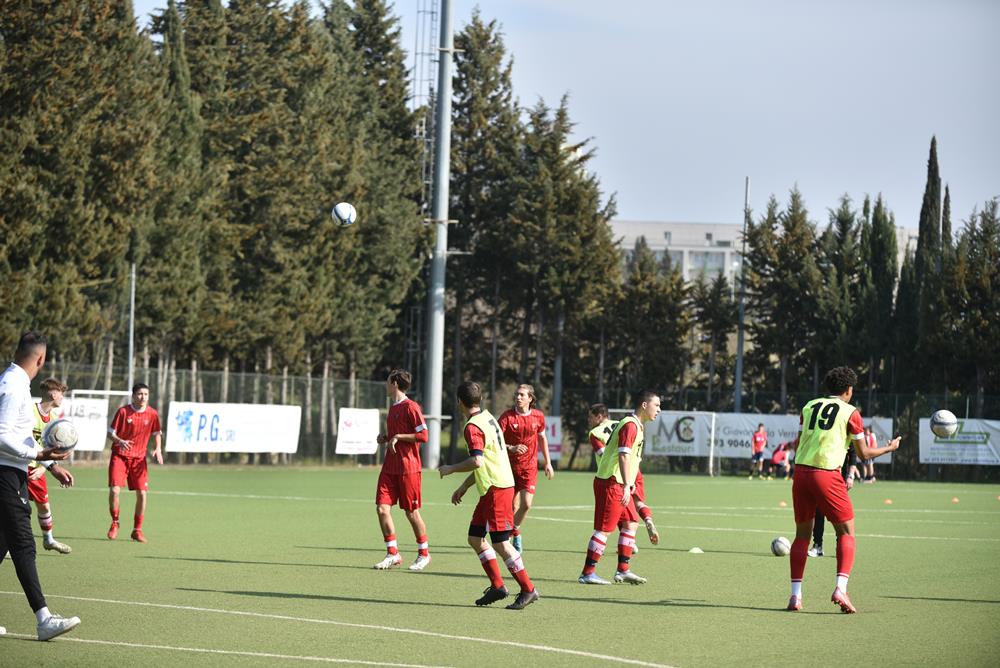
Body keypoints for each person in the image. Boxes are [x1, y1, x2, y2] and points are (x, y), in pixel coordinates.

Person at [786, 366, 900, 613]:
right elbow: (864, 454)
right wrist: (889, 448)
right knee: (847, 531)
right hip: (826, 474)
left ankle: (795, 596)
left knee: (802, 535)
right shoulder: (851, 412)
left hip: (801, 474)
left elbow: (799, 442)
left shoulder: (809, 406)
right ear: (848, 390)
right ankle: (841, 589)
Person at [0, 331, 81, 640]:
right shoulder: (13, 384)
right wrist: (37, 455)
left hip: (13, 472)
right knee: (24, 544)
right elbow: (1, 434)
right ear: (41, 358)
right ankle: (44, 619)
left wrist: (50, 465)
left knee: (3, 544)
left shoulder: (15, 381)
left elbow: (20, 436)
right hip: (6, 476)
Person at [439, 381, 539, 610]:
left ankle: (528, 589)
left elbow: (477, 461)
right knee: (475, 538)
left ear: (459, 402)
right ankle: (497, 586)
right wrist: (464, 486)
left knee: (501, 543)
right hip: (491, 488)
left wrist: (451, 468)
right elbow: (487, 460)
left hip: (497, 488)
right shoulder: (488, 418)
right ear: (480, 399)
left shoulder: (473, 427)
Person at [579, 390, 661, 585]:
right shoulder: (630, 424)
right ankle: (587, 573)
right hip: (612, 482)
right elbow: (623, 455)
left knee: (631, 523)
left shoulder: (637, 425)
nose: (659, 409)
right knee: (604, 530)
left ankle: (623, 570)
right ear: (644, 405)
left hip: (620, 483)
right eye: (656, 405)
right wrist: (626, 484)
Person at [372, 369, 431, 571]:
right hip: (390, 467)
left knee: (411, 512)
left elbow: (424, 436)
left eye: (388, 381)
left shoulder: (411, 407)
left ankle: (424, 554)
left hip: (408, 468)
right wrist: (387, 438)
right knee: (382, 509)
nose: (386, 385)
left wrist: (398, 437)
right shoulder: (393, 408)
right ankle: (392, 553)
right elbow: (396, 436)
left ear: (395, 383)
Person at [587, 403, 659, 545]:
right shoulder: (623, 423)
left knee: (608, 524)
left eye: (590, 417)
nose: (588, 420)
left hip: (616, 474)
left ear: (599, 417)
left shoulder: (595, 433)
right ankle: (646, 521)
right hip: (634, 470)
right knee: (636, 508)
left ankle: (623, 543)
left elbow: (604, 455)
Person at [497, 384, 553, 553]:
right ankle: (516, 534)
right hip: (508, 467)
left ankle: (513, 530)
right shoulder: (507, 417)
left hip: (529, 468)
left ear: (530, 398)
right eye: (517, 394)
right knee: (511, 507)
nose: (518, 397)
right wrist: (511, 448)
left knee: (526, 504)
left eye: (522, 395)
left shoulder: (538, 416)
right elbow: (495, 440)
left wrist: (548, 462)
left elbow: (542, 439)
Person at [107, 383, 163, 543]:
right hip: (120, 456)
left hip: (139, 460)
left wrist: (158, 448)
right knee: (114, 491)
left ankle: (137, 530)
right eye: (139, 394)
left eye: (146, 394)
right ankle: (115, 522)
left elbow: (156, 433)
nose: (143, 397)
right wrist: (120, 441)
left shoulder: (152, 414)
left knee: (142, 494)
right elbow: (110, 433)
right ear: (133, 396)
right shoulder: (123, 412)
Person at [29, 377, 73, 554]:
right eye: (61, 394)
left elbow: (49, 450)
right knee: (12, 508)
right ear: (53, 394)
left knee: (44, 506)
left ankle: (48, 540)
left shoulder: (55, 421)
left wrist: (42, 468)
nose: (62, 398)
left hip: (37, 468)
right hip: (19, 465)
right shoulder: (30, 412)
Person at [808, 448, 858, 557]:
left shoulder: (845, 436)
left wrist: (851, 475)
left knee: (838, 513)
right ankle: (817, 546)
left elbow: (853, 453)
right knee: (819, 509)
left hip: (839, 476)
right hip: (821, 474)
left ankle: (841, 547)